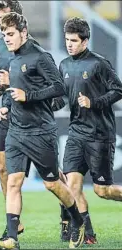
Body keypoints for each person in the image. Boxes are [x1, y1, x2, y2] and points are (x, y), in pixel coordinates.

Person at [0, 13, 86, 250]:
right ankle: (12, 237)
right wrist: (6, 104)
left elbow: (59, 87)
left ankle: (77, 219)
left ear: (23, 32)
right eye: (4, 35)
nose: (7, 39)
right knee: (13, 182)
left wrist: (28, 96)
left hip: (40, 132)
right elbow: (17, 90)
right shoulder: (12, 59)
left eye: (10, 34)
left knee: (52, 184)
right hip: (16, 131)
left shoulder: (40, 57)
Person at [59, 17, 122, 244]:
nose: (69, 44)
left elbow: (118, 90)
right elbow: (61, 97)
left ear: (85, 41)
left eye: (74, 40)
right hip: (76, 133)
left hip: (99, 135)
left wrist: (93, 102)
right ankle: (88, 234)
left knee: (102, 191)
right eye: (67, 40)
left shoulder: (99, 64)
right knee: (71, 185)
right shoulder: (64, 65)